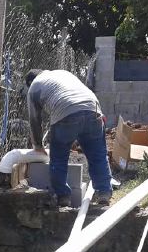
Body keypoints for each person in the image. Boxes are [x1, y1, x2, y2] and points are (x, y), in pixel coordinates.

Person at [26, 69, 113, 207]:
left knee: (59, 158)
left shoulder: (33, 87)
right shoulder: (63, 73)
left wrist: (38, 146)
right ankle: (104, 193)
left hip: (65, 113)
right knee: (98, 156)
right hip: (93, 110)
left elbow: (34, 120)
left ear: (29, 82)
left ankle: (63, 197)